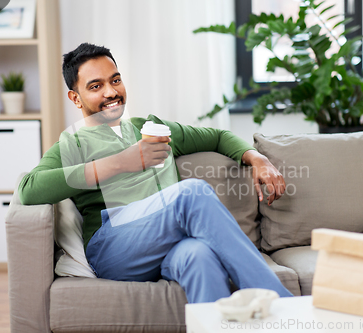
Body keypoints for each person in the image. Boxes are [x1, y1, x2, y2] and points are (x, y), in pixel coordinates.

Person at [19, 42, 293, 303]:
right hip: (113, 249)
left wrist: (257, 159)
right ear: (76, 98)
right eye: (96, 86)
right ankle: (282, 306)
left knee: (199, 255)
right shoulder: (72, 144)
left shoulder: (150, 128)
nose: (111, 92)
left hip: (165, 244)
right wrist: (121, 162)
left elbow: (218, 137)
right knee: (192, 193)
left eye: (115, 80)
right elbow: (29, 189)